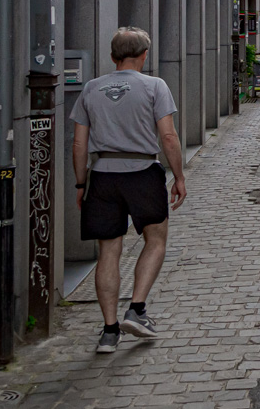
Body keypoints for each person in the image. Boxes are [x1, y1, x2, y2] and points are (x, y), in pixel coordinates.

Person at [71, 27, 187, 354]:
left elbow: (79, 143)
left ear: (112, 56)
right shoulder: (154, 86)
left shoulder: (92, 88)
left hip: (103, 173)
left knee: (109, 251)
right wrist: (178, 176)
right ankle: (136, 309)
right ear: (144, 55)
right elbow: (168, 137)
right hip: (142, 172)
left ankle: (109, 331)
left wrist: (82, 182)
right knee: (156, 239)